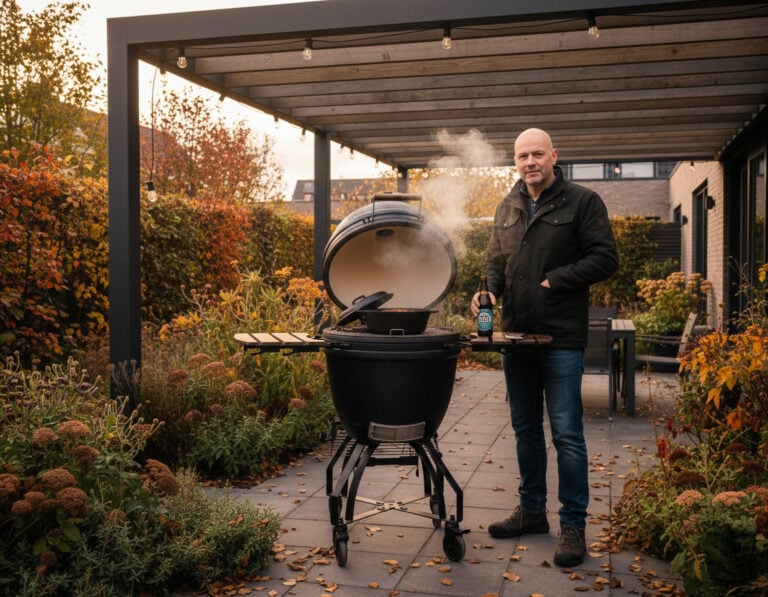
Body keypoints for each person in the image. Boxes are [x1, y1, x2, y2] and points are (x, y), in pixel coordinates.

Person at [471, 128, 618, 567]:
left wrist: (557, 278)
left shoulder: (583, 201)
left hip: (560, 339)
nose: (530, 161)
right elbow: (494, 261)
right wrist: (489, 292)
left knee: (567, 435)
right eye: (522, 156)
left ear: (554, 156)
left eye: (537, 154)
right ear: (514, 162)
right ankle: (532, 511)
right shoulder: (508, 204)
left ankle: (573, 525)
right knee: (525, 431)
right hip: (517, 337)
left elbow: (605, 258)